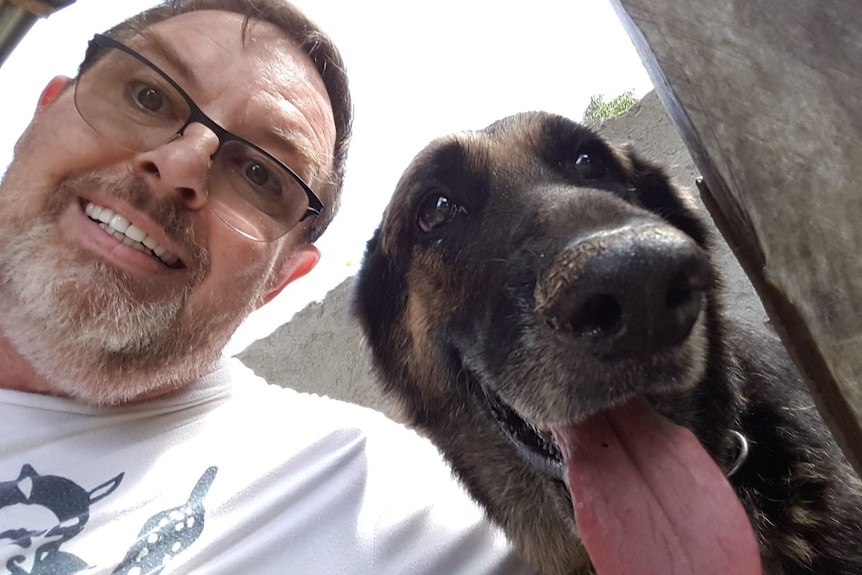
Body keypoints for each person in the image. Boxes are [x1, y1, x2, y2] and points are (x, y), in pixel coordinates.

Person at [0, 1, 535, 573]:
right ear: (46, 107)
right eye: (147, 96)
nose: (181, 164)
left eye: (260, 174)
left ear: (281, 277)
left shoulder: (375, 500)